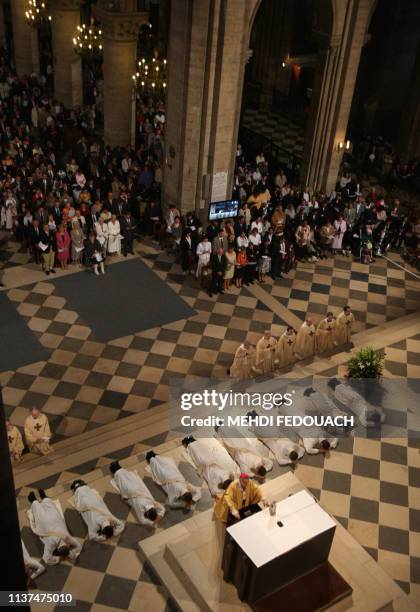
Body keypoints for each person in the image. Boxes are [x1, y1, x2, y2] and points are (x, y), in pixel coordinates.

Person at [27, 489, 82, 565]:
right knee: (39, 513)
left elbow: (79, 546)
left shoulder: (67, 538)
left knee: (52, 510)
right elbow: (46, 558)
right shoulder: (52, 544)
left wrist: (72, 553)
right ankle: (33, 500)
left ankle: (44, 497)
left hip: (55, 521)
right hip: (47, 524)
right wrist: (58, 559)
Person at [110, 461, 165, 527]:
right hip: (129, 491)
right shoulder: (141, 510)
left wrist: (160, 516)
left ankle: (117, 466)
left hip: (138, 488)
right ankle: (114, 467)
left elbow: (163, 509)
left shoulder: (153, 503)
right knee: (122, 480)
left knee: (128, 476)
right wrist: (152, 523)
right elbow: (142, 521)